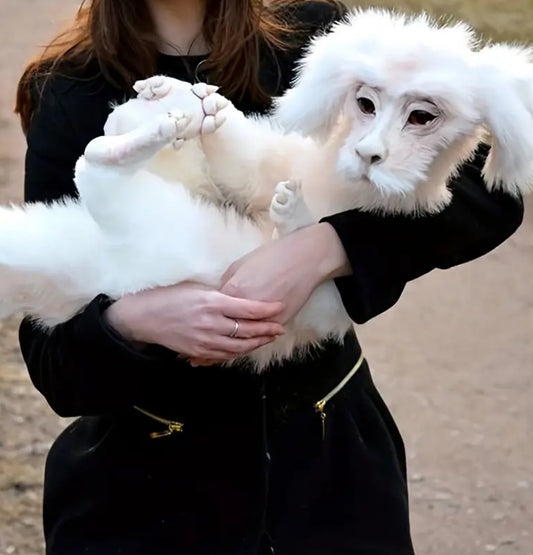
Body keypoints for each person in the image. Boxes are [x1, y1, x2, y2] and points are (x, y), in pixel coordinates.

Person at [15, 1, 523, 554]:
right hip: (145, 490)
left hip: (329, 468)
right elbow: (53, 360)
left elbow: (491, 193)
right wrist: (133, 322)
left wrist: (326, 247)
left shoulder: (313, 33)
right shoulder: (67, 88)